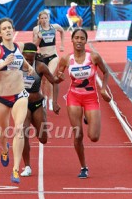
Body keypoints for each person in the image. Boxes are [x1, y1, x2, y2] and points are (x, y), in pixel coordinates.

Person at [0, 42, 60, 177]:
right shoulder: (14, 65)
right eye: (26, 55)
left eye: (31, 55)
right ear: (22, 54)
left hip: (37, 104)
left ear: (35, 54)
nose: (28, 58)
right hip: (21, 101)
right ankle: (27, 166)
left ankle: (37, 130)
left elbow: (53, 81)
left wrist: (54, 101)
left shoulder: (40, 66)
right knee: (22, 133)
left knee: (43, 138)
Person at [0, 17, 34, 184]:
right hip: (2, 98)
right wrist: (3, 63)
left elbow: (21, 61)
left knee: (19, 129)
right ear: (0, 32)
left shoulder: (18, 46)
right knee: (4, 132)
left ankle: (16, 169)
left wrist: (28, 67)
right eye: (4, 29)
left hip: (20, 95)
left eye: (10, 27)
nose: (8, 30)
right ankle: (4, 149)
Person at [55, 28, 111, 179]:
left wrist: (104, 89)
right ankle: (83, 167)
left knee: (94, 137)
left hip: (91, 98)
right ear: (72, 40)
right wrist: (59, 77)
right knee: (78, 135)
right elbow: (57, 78)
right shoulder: (66, 59)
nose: (79, 41)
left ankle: (88, 116)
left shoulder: (93, 57)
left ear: (85, 41)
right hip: (74, 98)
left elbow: (106, 72)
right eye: (76, 38)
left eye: (82, 38)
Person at [33, 10, 64, 111]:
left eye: (45, 18)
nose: (44, 20)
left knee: (49, 76)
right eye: (42, 18)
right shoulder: (36, 29)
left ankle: (51, 100)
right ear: (39, 19)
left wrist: (62, 44)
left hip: (53, 56)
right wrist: (39, 38)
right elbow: (34, 46)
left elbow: (62, 31)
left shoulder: (54, 27)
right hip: (42, 57)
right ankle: (44, 98)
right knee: (43, 81)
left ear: (48, 18)